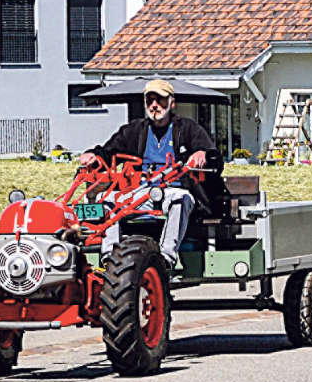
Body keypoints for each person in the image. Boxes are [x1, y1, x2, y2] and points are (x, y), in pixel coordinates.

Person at [80, 79, 222, 268]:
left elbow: (215, 159)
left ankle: (166, 259)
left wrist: (202, 154)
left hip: (171, 192)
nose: (154, 105)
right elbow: (108, 152)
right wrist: (94, 156)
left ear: (172, 103)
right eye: (150, 100)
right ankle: (109, 258)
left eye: (160, 100)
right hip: (140, 193)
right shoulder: (134, 130)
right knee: (106, 199)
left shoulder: (188, 128)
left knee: (181, 198)